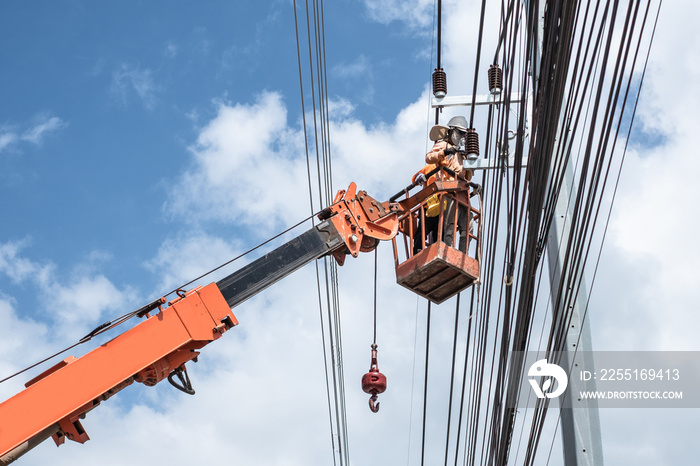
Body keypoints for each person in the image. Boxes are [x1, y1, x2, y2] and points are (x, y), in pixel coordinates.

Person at [425, 115, 473, 253]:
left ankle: (463, 254)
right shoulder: (444, 145)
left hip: (463, 194)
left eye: (464, 135)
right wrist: (445, 152)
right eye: (460, 133)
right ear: (451, 132)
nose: (462, 137)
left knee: (468, 227)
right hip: (449, 190)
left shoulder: (463, 155)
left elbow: (466, 175)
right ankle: (447, 250)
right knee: (449, 225)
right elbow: (428, 157)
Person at [412, 163, 440, 254]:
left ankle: (437, 250)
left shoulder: (447, 169)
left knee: (439, 230)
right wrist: (419, 176)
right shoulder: (430, 167)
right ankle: (417, 249)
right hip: (428, 205)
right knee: (422, 230)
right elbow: (414, 178)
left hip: (440, 206)